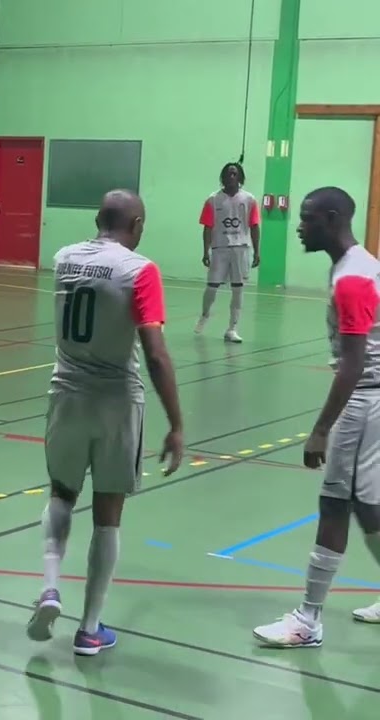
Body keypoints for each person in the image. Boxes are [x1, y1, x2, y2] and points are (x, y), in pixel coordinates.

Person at [26, 189, 185, 656]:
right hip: (116, 401)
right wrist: (176, 422)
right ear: (135, 223)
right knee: (107, 513)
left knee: (61, 491)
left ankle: (50, 587)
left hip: (66, 394)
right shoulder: (140, 270)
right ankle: (90, 629)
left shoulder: (63, 258)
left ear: (98, 218)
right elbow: (155, 353)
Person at [252, 187, 380, 648]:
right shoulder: (357, 267)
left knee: (336, 505)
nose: (300, 227)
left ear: (331, 219)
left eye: (306, 219)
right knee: (366, 508)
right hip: (370, 400)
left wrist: (321, 429)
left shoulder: (352, 278)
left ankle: (308, 620)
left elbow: (353, 362)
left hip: (363, 402)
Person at [195, 162, 261, 343]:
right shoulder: (213, 199)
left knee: (238, 289)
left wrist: (257, 252)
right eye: (228, 174)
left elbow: (254, 226)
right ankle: (205, 314)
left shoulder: (249, 199)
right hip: (220, 248)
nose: (231, 177)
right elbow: (207, 228)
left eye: (235, 174)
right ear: (223, 177)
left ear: (240, 177)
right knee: (212, 286)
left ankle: (232, 328)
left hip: (241, 248)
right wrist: (205, 251)